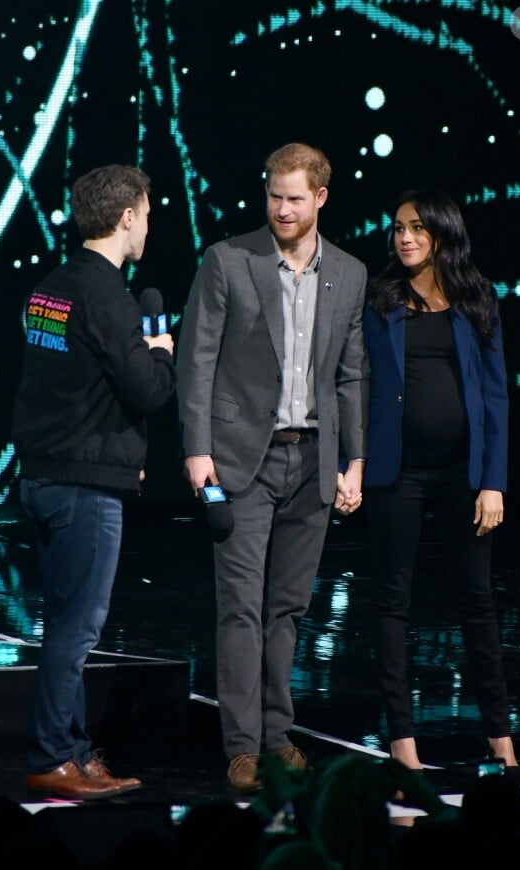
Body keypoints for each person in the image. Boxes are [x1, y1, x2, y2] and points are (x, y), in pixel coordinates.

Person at [176, 142, 369, 791]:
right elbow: (196, 360)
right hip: (239, 462)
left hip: (313, 462)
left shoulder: (349, 271)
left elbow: (351, 374)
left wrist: (355, 462)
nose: (281, 209)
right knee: (241, 609)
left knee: (287, 609)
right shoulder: (229, 260)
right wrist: (196, 450)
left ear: (320, 197)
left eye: (294, 198)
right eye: (273, 195)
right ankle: (241, 747)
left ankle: (275, 734)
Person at [12, 164, 176, 799]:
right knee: (77, 630)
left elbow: (67, 385)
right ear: (127, 216)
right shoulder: (110, 296)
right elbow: (147, 390)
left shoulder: (49, 287)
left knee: (65, 626)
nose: (149, 224)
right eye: (147, 211)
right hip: (83, 487)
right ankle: (54, 755)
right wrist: (160, 353)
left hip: (46, 475)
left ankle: (73, 752)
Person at [355, 187, 519, 772]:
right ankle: (402, 740)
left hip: (463, 475)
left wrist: (493, 482)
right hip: (396, 473)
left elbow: (497, 397)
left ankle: (500, 736)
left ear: (443, 235)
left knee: (477, 601)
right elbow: (358, 384)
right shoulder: (381, 300)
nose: (404, 237)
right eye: (399, 227)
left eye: (417, 228)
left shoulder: (477, 299)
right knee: (392, 600)